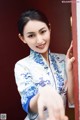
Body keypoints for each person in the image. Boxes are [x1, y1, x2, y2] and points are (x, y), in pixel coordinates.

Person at [14, 9, 75, 120]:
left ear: (49, 29)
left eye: (42, 32)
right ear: (22, 38)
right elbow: (29, 106)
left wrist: (69, 70)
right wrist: (43, 94)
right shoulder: (22, 66)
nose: (39, 40)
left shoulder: (62, 59)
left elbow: (72, 101)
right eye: (31, 36)